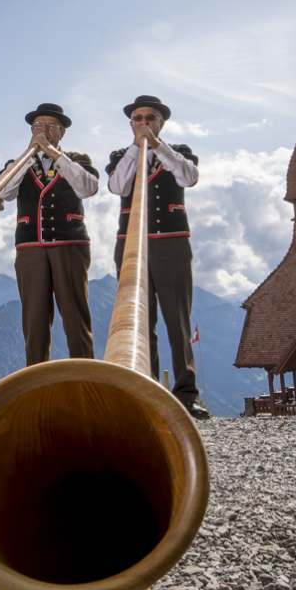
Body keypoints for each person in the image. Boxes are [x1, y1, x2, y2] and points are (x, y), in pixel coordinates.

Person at [105, 95, 210, 420]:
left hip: (171, 243)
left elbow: (188, 177)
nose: (143, 123)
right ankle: (144, 390)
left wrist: (157, 147)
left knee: (176, 318)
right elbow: (117, 186)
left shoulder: (179, 152)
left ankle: (186, 394)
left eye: (150, 117)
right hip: (130, 244)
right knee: (139, 321)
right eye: (137, 118)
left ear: (161, 122)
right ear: (131, 123)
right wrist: (138, 148)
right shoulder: (120, 156)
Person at [0, 103, 99, 365]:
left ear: (62, 132)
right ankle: (37, 382)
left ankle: (86, 381)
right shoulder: (17, 163)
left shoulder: (77, 160)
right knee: (35, 320)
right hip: (30, 247)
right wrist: (29, 155)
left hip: (70, 244)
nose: (42, 131)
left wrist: (54, 154)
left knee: (75, 316)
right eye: (37, 126)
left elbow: (88, 188)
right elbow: (3, 192)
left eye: (50, 127)